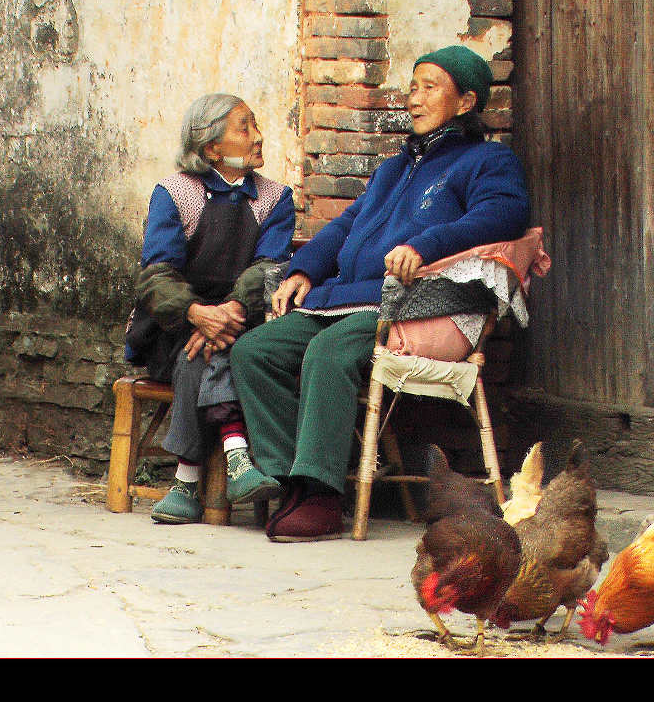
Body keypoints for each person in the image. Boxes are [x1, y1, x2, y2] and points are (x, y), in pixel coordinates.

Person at [230, 45, 530, 542]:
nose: (414, 99)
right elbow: (349, 223)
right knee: (256, 350)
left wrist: (423, 244)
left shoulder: (489, 161)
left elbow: (503, 215)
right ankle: (288, 482)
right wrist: (305, 268)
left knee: (330, 352)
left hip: (409, 304)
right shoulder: (395, 167)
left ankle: (323, 495)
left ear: (466, 101)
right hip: (346, 294)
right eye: (413, 87)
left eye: (430, 87)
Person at [125, 93, 295, 524]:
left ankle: (185, 482)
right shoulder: (175, 192)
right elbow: (156, 273)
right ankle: (236, 457)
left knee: (213, 350)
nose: (258, 137)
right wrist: (197, 313)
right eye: (245, 127)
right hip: (173, 327)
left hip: (241, 321)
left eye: (255, 125)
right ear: (212, 149)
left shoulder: (276, 198)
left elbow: (269, 267)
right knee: (198, 348)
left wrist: (232, 309)